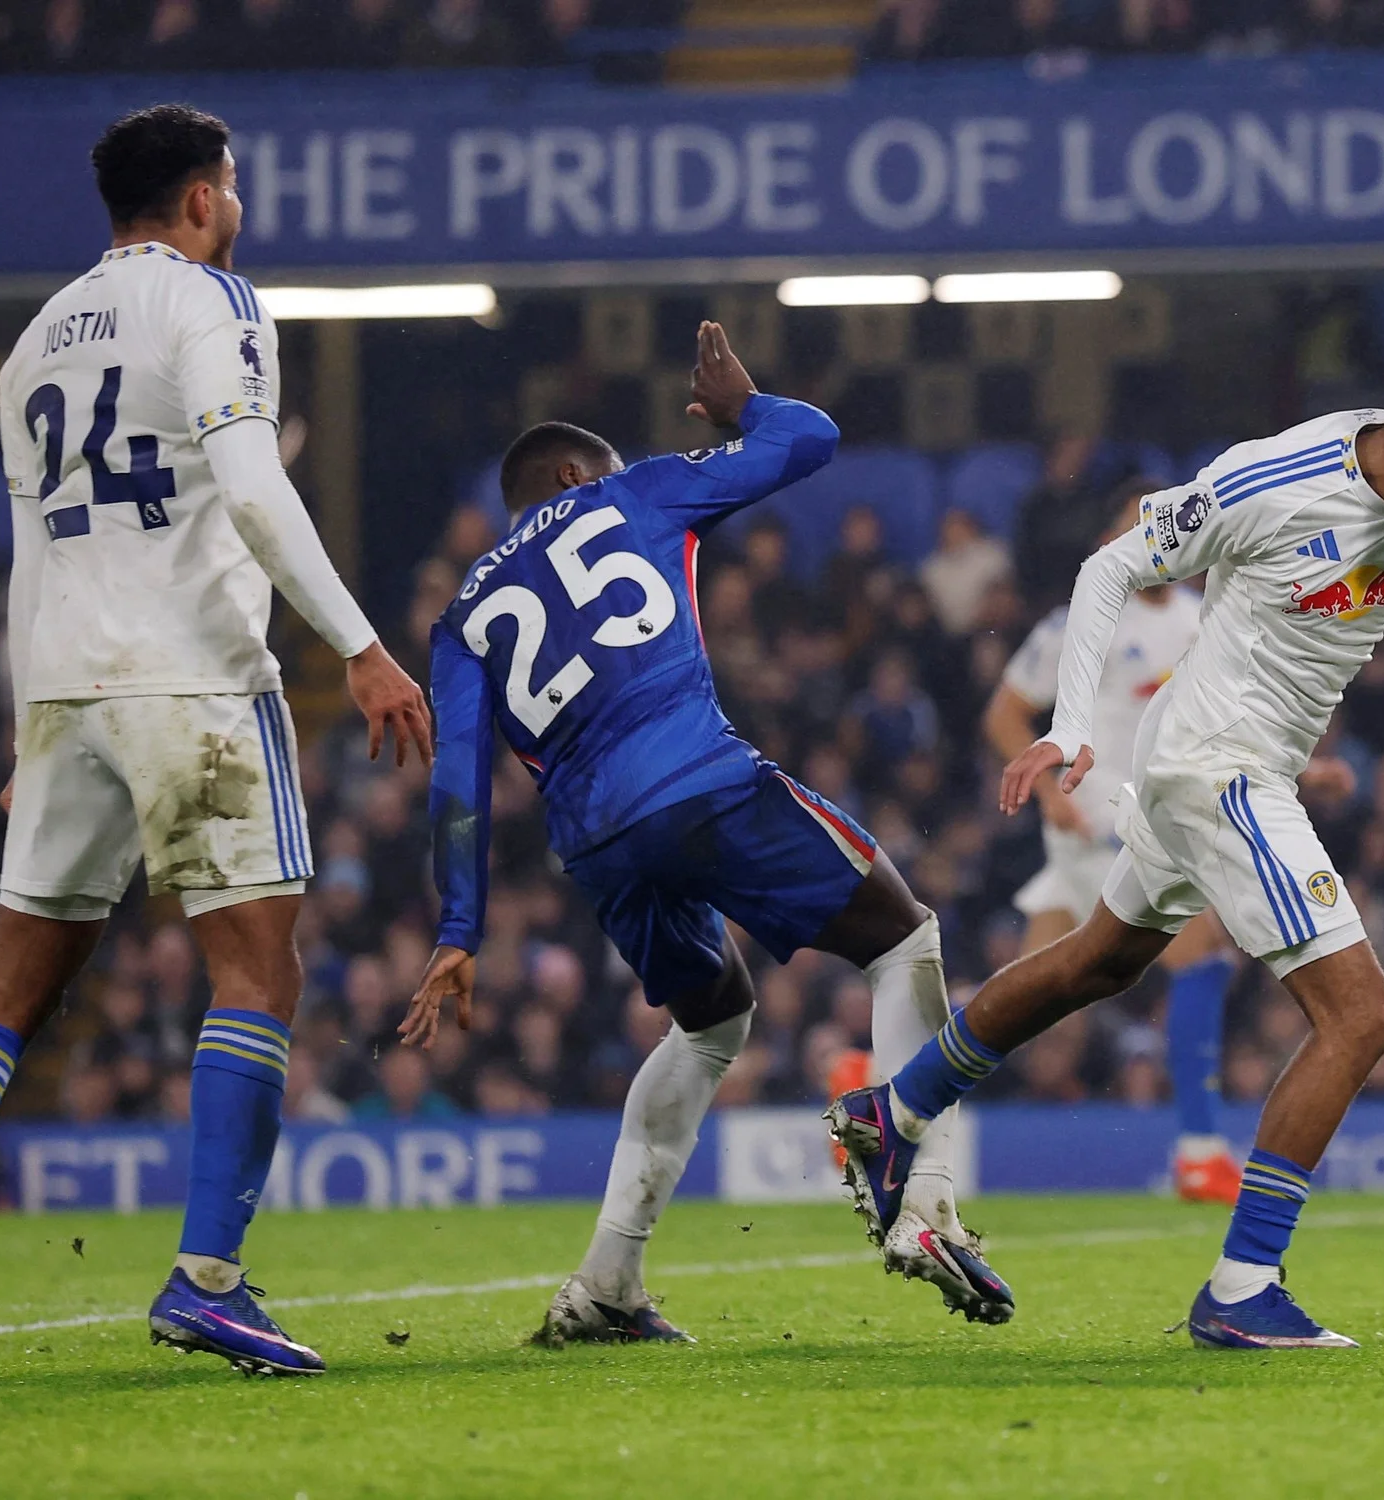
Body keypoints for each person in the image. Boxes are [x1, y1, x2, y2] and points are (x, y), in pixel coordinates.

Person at [828, 341, 1384, 1350]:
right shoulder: (1276, 481)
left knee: (1093, 963)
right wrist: (1070, 724)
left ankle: (893, 1107)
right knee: (1361, 1016)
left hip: (1219, 759)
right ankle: (1242, 1286)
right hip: (1219, 766)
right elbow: (1111, 563)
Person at [400, 322, 1013, 1345]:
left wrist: (459, 928)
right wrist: (744, 413)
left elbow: (458, 787)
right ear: (567, 473)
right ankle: (925, 1201)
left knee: (711, 1018)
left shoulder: (461, 616)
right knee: (902, 936)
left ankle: (605, 1285)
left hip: (597, 845)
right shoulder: (627, 491)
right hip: (693, 778)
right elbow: (809, 439)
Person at [0, 105, 429, 1380]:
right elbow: (254, 484)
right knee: (257, 975)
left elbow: (27, 556)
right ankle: (207, 1280)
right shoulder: (214, 306)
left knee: (9, 993)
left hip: (66, 683)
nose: (238, 205)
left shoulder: (31, 345)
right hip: (192, 680)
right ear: (202, 198)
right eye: (233, 185)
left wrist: (25, 717)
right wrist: (360, 644)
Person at [984, 486, 1249, 1203]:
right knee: (1203, 958)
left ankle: (887, 1087)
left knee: (1025, 995)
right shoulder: (1084, 620)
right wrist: (1046, 794)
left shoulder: (1204, 621)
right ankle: (1200, 1150)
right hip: (1095, 821)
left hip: (1156, 819)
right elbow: (1005, 714)